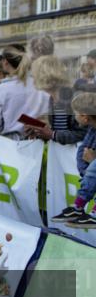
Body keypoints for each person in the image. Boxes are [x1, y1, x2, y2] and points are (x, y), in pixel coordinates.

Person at [49, 92, 96, 228]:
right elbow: (82, 152)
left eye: (75, 113)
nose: (74, 117)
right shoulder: (92, 130)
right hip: (90, 172)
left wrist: (92, 163)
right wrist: (86, 171)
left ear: (85, 117)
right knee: (92, 170)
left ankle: (89, 211)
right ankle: (78, 207)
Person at [0, 44, 49, 138]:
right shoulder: (41, 85)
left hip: (10, 144)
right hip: (39, 143)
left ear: (5, 62)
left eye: (1, 59)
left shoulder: (3, 88)